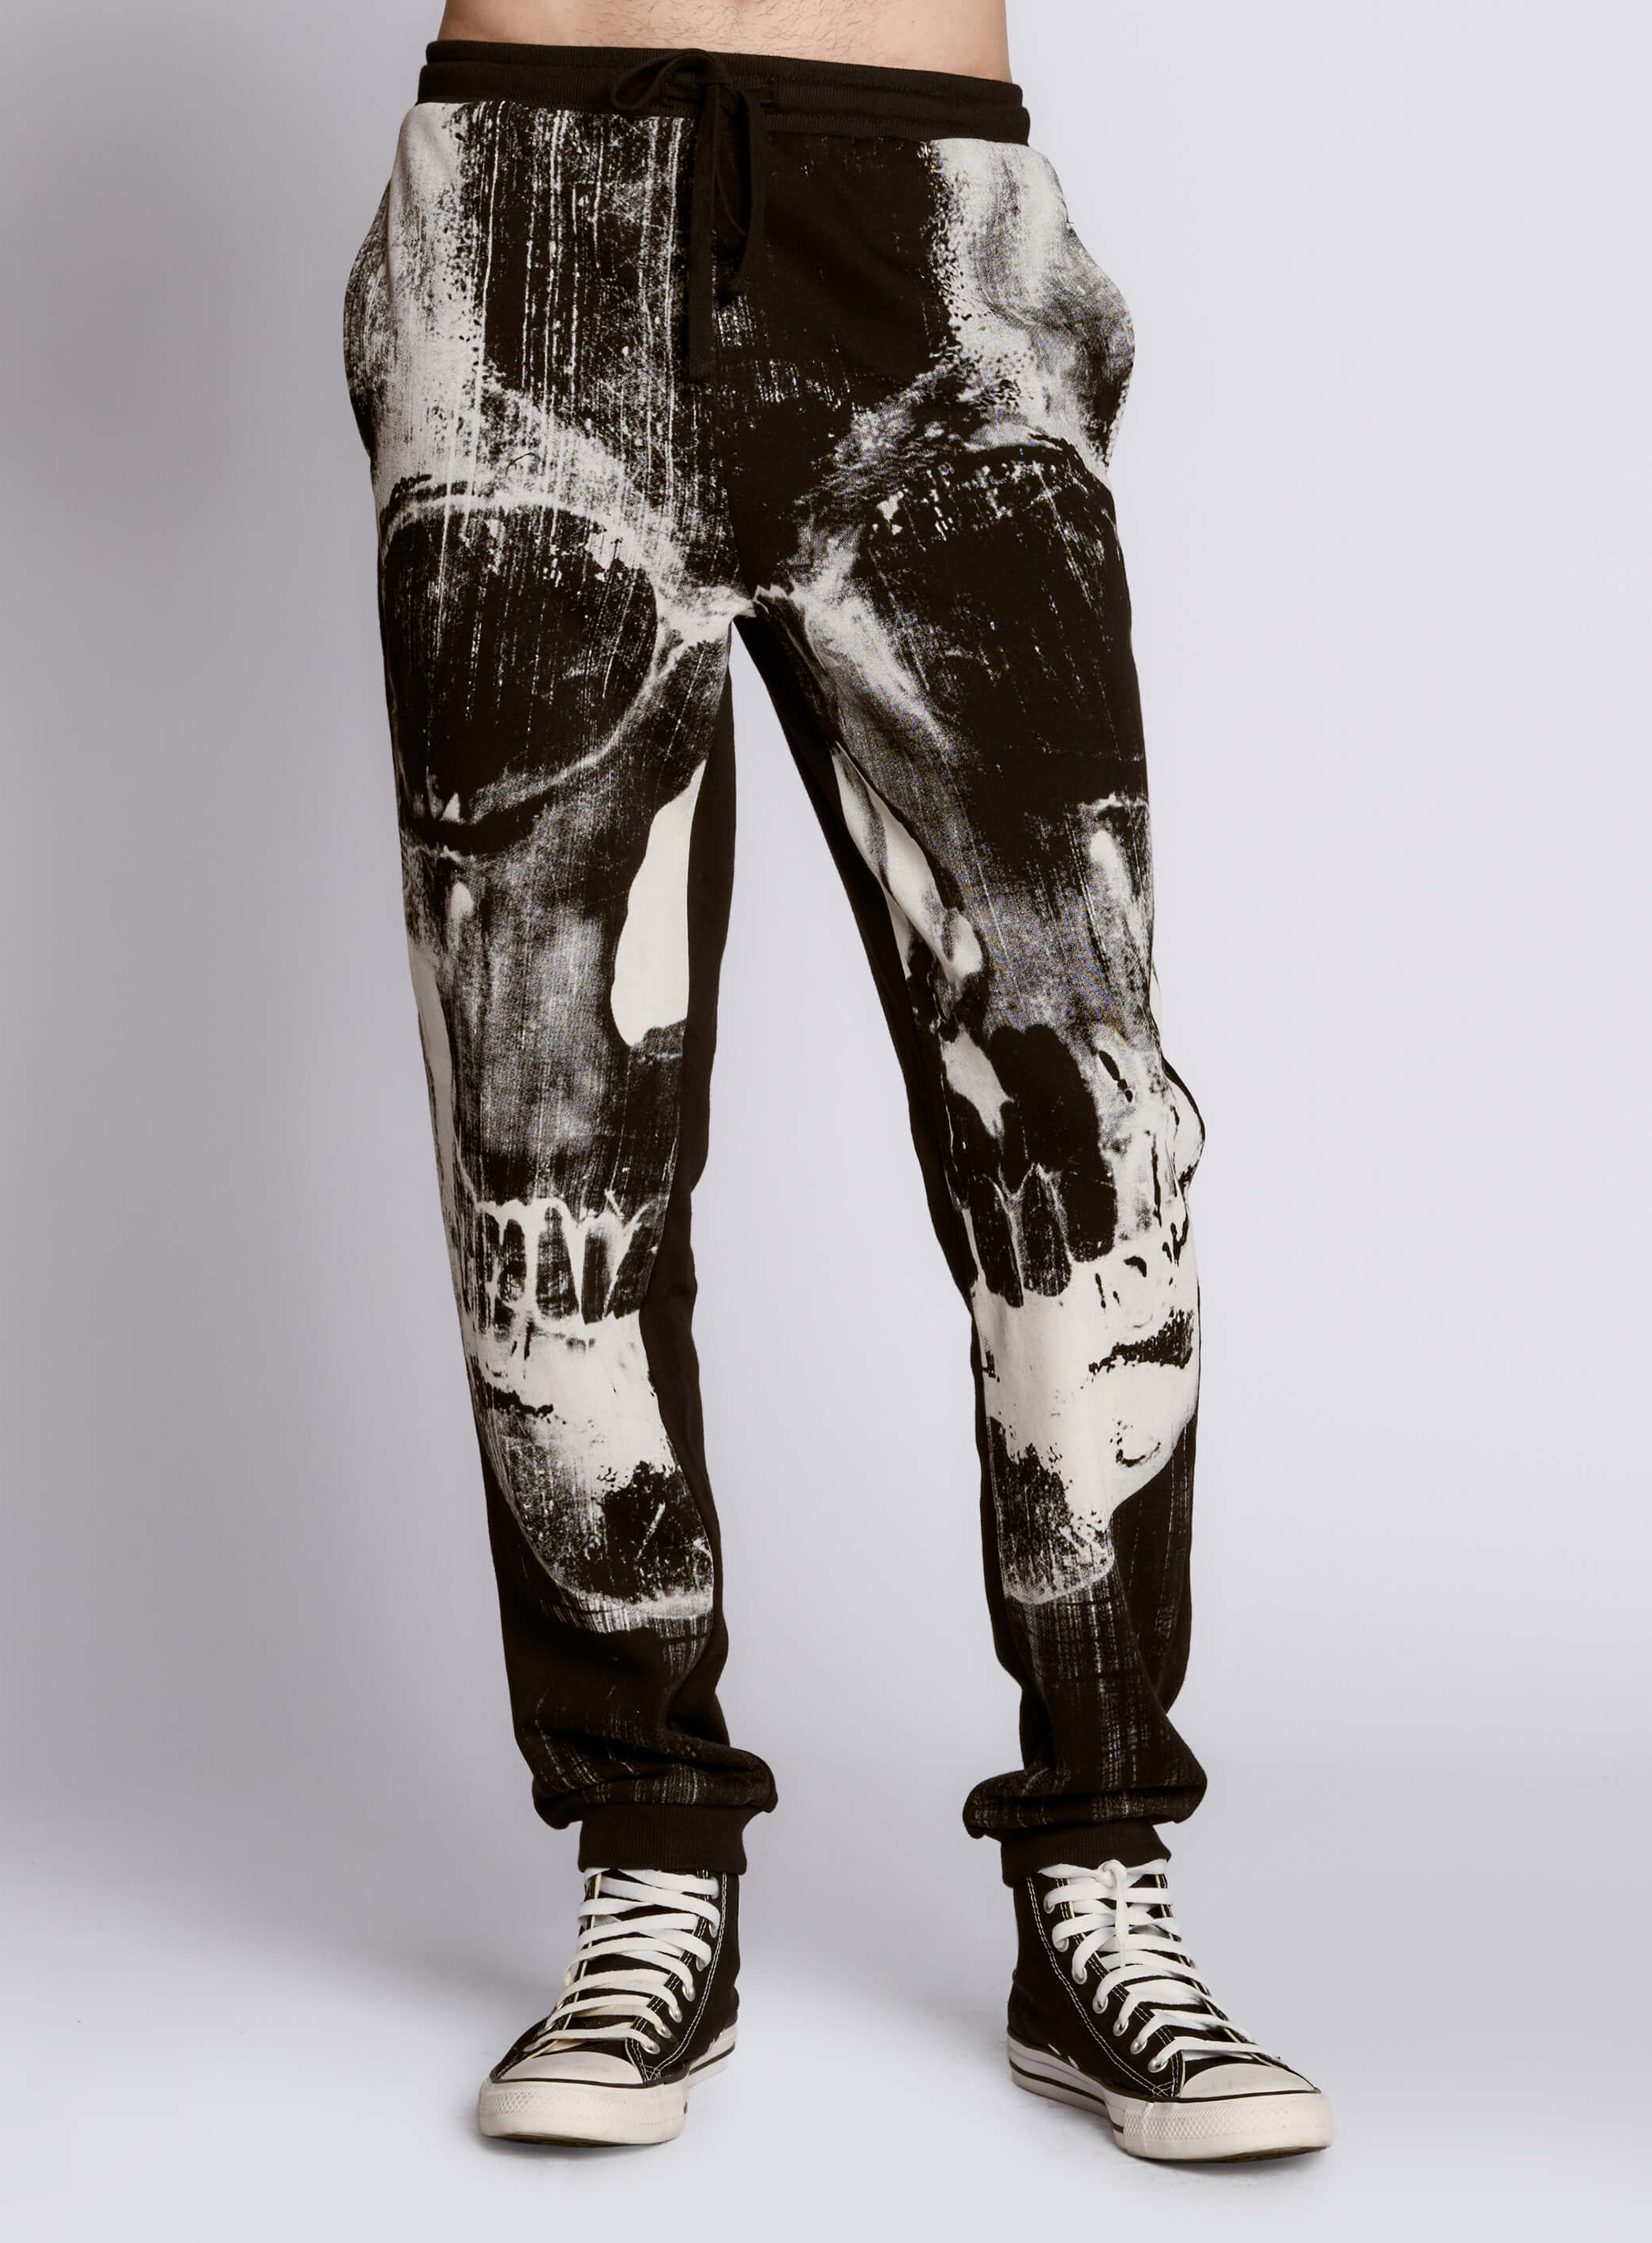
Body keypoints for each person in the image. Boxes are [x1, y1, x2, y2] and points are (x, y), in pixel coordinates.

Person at [343, 0, 1331, 2162]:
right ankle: (646, 1859)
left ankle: (1097, 1868)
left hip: (927, 211)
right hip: (520, 201)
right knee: (542, 1139)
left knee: (1074, 1113)